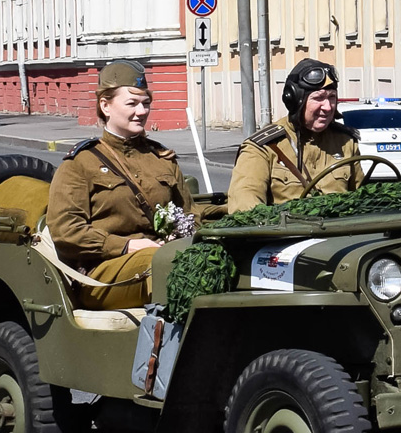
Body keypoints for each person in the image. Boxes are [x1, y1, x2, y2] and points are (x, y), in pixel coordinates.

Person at [47, 60, 200, 310]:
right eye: (132, 103)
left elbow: (191, 214)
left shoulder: (160, 158)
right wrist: (127, 245)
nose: (141, 111)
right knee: (163, 263)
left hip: (164, 256)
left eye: (146, 103)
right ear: (105, 105)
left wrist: (179, 236)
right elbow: (66, 231)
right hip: (103, 273)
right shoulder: (81, 163)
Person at [228, 58, 363, 211]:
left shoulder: (345, 142)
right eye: (318, 98)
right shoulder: (264, 147)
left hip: (340, 233)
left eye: (331, 97)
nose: (327, 107)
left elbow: (361, 200)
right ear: (294, 100)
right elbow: (245, 206)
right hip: (288, 233)